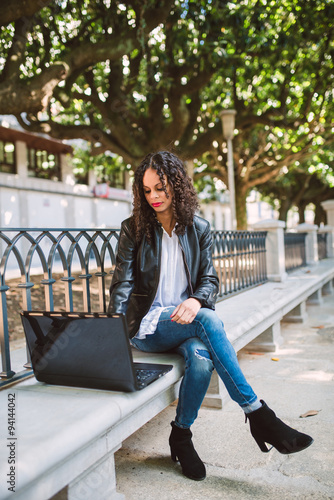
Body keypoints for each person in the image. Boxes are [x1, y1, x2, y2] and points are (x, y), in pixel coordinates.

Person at [108, 151, 313, 481]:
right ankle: (257, 413)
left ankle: (181, 434)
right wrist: (111, 335)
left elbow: (209, 279)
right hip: (148, 327)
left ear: (176, 185)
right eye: (146, 191)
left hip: (186, 325)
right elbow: (122, 284)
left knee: (201, 357)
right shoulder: (134, 229)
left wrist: (195, 300)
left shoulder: (198, 228)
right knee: (209, 320)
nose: (154, 197)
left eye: (160, 188)